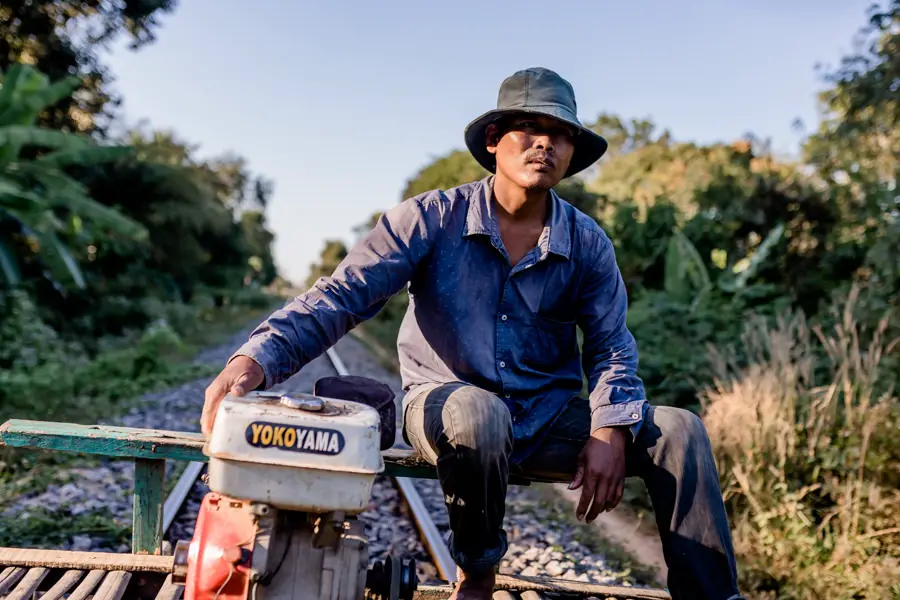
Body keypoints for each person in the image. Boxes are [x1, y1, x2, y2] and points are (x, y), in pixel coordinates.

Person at [201, 67, 744, 600]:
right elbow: (342, 295)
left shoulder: (587, 243)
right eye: (528, 128)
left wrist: (609, 427)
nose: (544, 144)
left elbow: (611, 345)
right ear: (493, 140)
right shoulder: (431, 218)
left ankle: (713, 595)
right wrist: (255, 359)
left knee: (680, 430)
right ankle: (479, 573)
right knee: (480, 412)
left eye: (560, 134)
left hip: (546, 417)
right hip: (445, 410)